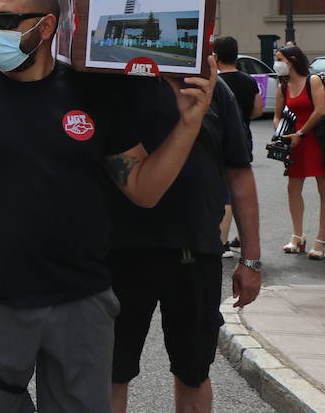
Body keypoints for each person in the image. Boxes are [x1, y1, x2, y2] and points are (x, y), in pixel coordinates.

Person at [0, 0, 215, 412]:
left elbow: (143, 189)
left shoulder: (92, 93)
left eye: (8, 20)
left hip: (83, 302)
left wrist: (189, 123)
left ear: (47, 26)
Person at [108, 73, 262, 413]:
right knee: (111, 372)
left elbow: (238, 171)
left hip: (194, 251)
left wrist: (250, 259)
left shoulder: (213, 87)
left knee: (194, 372)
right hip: (119, 251)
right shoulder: (112, 79)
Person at [274, 44, 325, 261]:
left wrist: (301, 132)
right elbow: (277, 115)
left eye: (279, 58)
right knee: (293, 188)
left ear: (291, 60)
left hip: (316, 137)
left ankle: (320, 240)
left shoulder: (314, 80)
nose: (277, 62)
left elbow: (320, 111)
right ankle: (297, 236)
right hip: (294, 141)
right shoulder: (282, 86)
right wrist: (280, 132)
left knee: (324, 186)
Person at [213, 35, 260, 253]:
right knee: (239, 184)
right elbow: (258, 110)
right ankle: (241, 238)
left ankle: (221, 238)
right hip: (243, 136)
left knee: (221, 188)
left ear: (216, 55)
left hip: (217, 138)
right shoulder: (248, 80)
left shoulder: (215, 82)